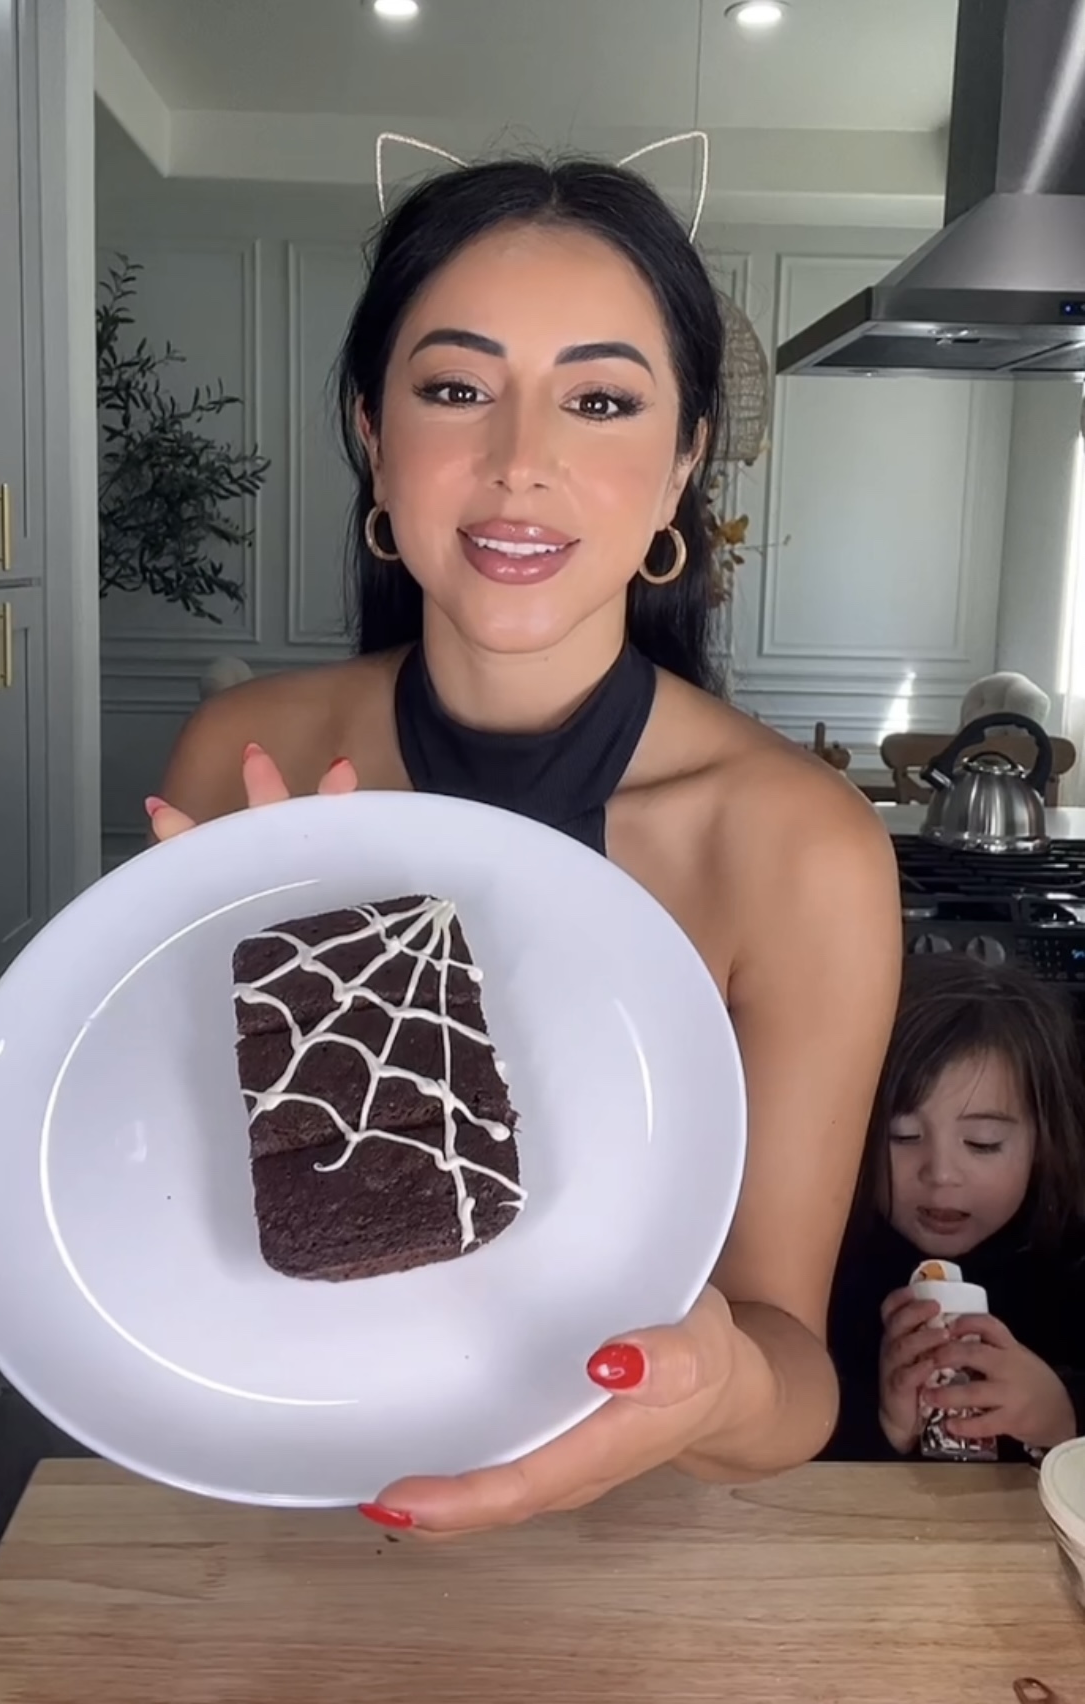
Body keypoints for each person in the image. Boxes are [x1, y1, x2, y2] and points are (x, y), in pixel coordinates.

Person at [147, 155, 902, 1532]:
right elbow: (166, 1201)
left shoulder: (798, 848)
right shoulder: (237, 759)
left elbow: (792, 1372)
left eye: (602, 400)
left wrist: (710, 1383)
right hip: (284, 1499)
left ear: (682, 462)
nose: (520, 463)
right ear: (371, 431)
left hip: (633, 1550)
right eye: (454, 388)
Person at [825, 954, 1085, 1463]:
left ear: (1045, 1141)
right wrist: (882, 1427)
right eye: (903, 1137)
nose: (940, 1173)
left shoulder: (1070, 1266)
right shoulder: (829, 1270)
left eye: (983, 1143)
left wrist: (1064, 1418)